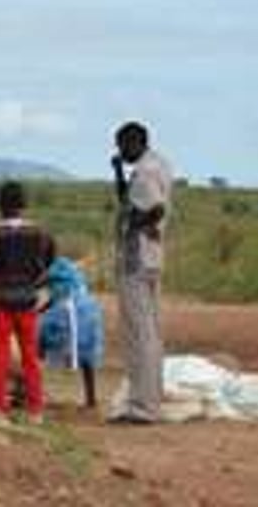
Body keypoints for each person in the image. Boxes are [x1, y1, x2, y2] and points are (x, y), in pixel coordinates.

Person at [0, 181, 55, 424]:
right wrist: (36, 280)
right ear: (23, 204)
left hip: (1, 299)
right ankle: (35, 410)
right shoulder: (39, 232)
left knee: (0, 355)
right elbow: (49, 257)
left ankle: (0, 407)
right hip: (28, 299)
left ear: (0, 204)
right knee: (30, 355)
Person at [108, 121, 173, 425]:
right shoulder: (158, 165)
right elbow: (130, 200)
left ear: (134, 143)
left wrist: (135, 225)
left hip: (136, 259)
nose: (120, 151)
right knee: (151, 329)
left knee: (139, 332)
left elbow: (155, 209)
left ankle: (143, 407)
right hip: (152, 258)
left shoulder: (145, 173)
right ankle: (150, 398)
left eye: (122, 146)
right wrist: (119, 172)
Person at [38, 256, 104, 409]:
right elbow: (57, 296)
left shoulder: (53, 271)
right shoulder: (67, 268)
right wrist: (40, 310)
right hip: (89, 311)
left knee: (36, 344)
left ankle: (32, 390)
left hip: (68, 312)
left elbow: (38, 286)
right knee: (87, 356)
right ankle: (91, 399)